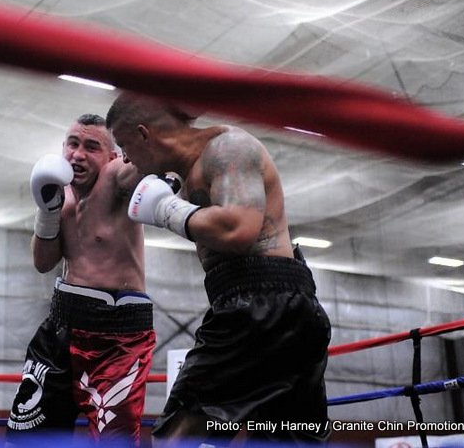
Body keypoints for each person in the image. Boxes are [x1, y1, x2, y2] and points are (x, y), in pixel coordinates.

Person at [106, 93, 331, 446]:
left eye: (123, 145)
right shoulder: (183, 168)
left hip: (259, 304)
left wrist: (166, 209)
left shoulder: (227, 150)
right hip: (283, 308)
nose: (125, 157)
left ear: (144, 134)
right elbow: (122, 179)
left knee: (176, 436)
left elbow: (238, 230)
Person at [6, 114, 155, 447]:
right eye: (72, 144)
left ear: (112, 156)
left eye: (92, 147)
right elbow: (43, 263)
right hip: (60, 327)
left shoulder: (116, 178)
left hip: (117, 339)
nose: (78, 155)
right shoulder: (58, 194)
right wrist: (47, 213)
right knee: (25, 437)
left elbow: (142, 171)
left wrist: (144, 149)